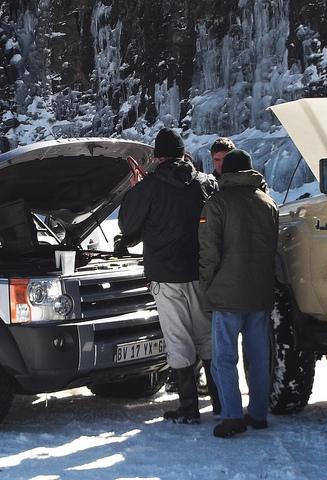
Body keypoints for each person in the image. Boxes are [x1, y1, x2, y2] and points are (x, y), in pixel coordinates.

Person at [118, 127, 220, 424]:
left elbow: (128, 227)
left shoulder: (147, 188)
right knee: (207, 337)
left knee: (178, 340)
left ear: (157, 156)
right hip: (201, 273)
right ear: (183, 153)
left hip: (165, 275)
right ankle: (220, 401)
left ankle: (188, 407)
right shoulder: (205, 183)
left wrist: (136, 187)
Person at [198, 149, 279, 438]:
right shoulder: (267, 202)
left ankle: (232, 415)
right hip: (259, 293)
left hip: (227, 294)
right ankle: (258, 412)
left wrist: (207, 285)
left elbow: (209, 253)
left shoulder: (217, 204)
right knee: (258, 355)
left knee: (224, 358)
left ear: (226, 173)